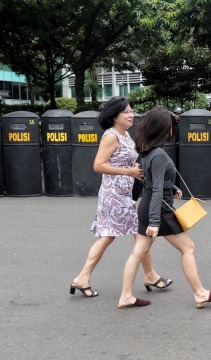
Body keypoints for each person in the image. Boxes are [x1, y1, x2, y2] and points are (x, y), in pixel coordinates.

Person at [117, 106, 211, 308]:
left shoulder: (147, 150)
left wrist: (172, 185)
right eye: (172, 126)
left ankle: (125, 296)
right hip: (159, 208)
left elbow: (149, 178)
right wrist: (155, 221)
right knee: (188, 248)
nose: (173, 129)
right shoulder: (157, 153)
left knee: (138, 252)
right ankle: (200, 293)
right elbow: (156, 187)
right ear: (163, 129)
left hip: (149, 204)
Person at [71, 97, 171, 298]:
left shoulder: (125, 134)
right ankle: (84, 277)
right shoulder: (111, 136)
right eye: (126, 111)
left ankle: (84, 278)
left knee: (128, 235)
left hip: (126, 193)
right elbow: (98, 165)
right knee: (117, 236)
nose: (131, 114)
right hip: (115, 195)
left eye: (131, 111)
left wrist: (135, 169)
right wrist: (129, 172)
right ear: (113, 116)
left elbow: (125, 161)